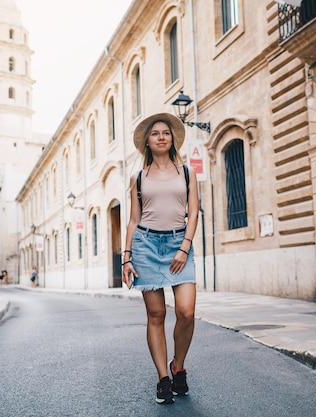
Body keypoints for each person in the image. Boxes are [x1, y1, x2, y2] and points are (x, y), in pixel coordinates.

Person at [122, 113, 198, 405]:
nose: (162, 136)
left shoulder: (187, 173)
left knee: (186, 312)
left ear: (172, 138)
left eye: (166, 132)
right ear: (148, 142)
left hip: (180, 244)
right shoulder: (138, 177)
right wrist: (126, 258)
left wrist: (184, 247)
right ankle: (163, 379)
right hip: (146, 246)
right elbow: (132, 220)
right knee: (156, 315)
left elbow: (194, 213)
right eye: (155, 133)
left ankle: (178, 366)